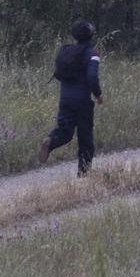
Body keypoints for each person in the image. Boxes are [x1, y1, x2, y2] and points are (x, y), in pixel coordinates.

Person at [38, 21, 103, 176]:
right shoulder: (92, 54)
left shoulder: (66, 52)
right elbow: (92, 77)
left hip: (65, 99)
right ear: (91, 36)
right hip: (82, 102)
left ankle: (51, 141)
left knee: (65, 133)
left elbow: (60, 75)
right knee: (85, 140)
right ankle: (83, 175)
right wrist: (98, 94)